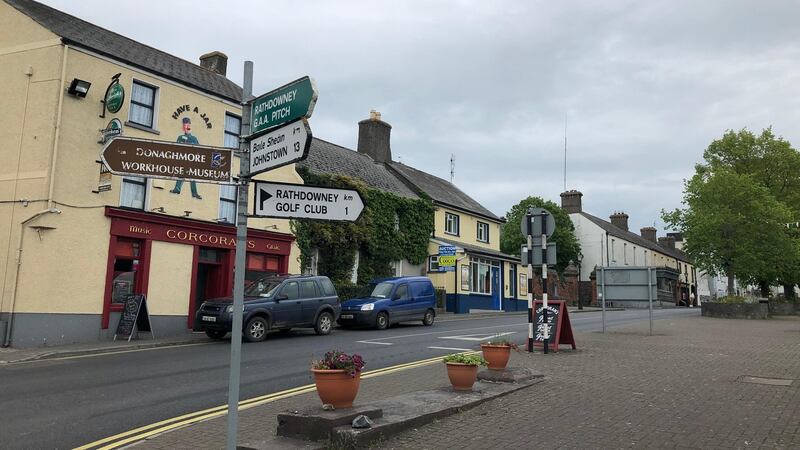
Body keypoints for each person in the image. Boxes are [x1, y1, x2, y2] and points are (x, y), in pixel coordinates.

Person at [170, 117, 201, 199]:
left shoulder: (194, 138)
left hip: (191, 160)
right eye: (184, 124)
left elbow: (199, 149)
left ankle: (194, 193)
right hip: (183, 160)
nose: (185, 126)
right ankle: (177, 188)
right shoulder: (180, 137)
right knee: (181, 174)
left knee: (192, 176)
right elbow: (176, 148)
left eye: (187, 124)